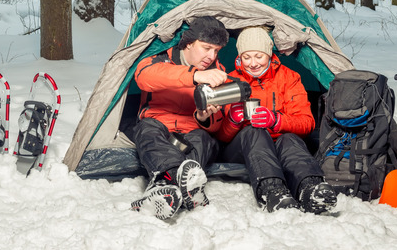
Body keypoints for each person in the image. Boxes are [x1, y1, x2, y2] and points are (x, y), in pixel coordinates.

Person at [216, 26, 338, 214]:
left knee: (289, 138)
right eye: (246, 57)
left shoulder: (289, 78)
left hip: (280, 144)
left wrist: (276, 120)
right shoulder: (229, 81)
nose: (253, 63)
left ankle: (311, 187)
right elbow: (220, 137)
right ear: (239, 57)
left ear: (269, 54)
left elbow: (307, 123)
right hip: (243, 148)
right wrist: (232, 121)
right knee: (253, 131)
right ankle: (272, 191)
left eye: (259, 56)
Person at [130, 16, 229, 220]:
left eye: (216, 50)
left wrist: (204, 118)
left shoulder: (217, 72)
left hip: (192, 129)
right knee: (147, 130)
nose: (211, 56)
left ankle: (166, 185)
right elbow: (144, 76)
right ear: (189, 43)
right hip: (158, 123)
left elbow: (217, 126)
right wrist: (194, 75)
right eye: (206, 48)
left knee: (204, 139)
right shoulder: (161, 58)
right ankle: (182, 186)